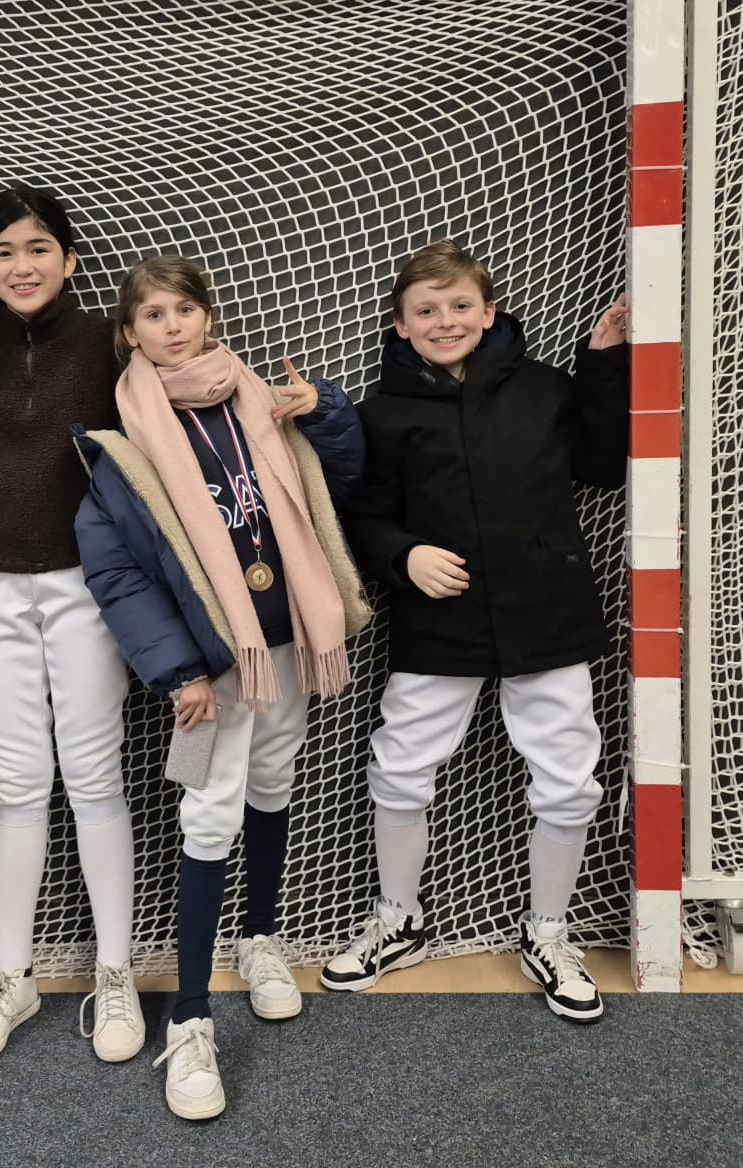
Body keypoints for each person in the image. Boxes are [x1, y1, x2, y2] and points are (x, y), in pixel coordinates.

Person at [75, 255, 366, 1119]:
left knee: (274, 784)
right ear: (129, 334)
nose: (172, 326)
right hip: (214, 661)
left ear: (208, 316)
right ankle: (191, 1017)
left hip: (291, 640)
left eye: (184, 310)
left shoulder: (260, 399)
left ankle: (261, 938)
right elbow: (119, 572)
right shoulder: (124, 443)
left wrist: (329, 413)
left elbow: (343, 483)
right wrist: (180, 671)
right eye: (153, 315)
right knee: (209, 814)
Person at [322, 239, 629, 1023]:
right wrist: (405, 555)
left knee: (568, 777)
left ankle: (548, 934)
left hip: (545, 612)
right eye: (425, 310)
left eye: (460, 305)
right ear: (400, 325)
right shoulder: (381, 414)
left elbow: (602, 466)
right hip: (438, 621)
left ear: (489, 313)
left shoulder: (545, 388)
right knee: (399, 766)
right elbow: (362, 519)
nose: (445, 320)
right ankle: (399, 919)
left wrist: (602, 363)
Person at [0, 185, 142, 1068]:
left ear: (68, 258)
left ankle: (115, 972)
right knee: (18, 785)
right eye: (3, 253)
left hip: (87, 585)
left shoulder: (109, 342)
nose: (21, 266)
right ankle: (13, 977)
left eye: (37, 249)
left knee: (95, 777)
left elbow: (173, 417)